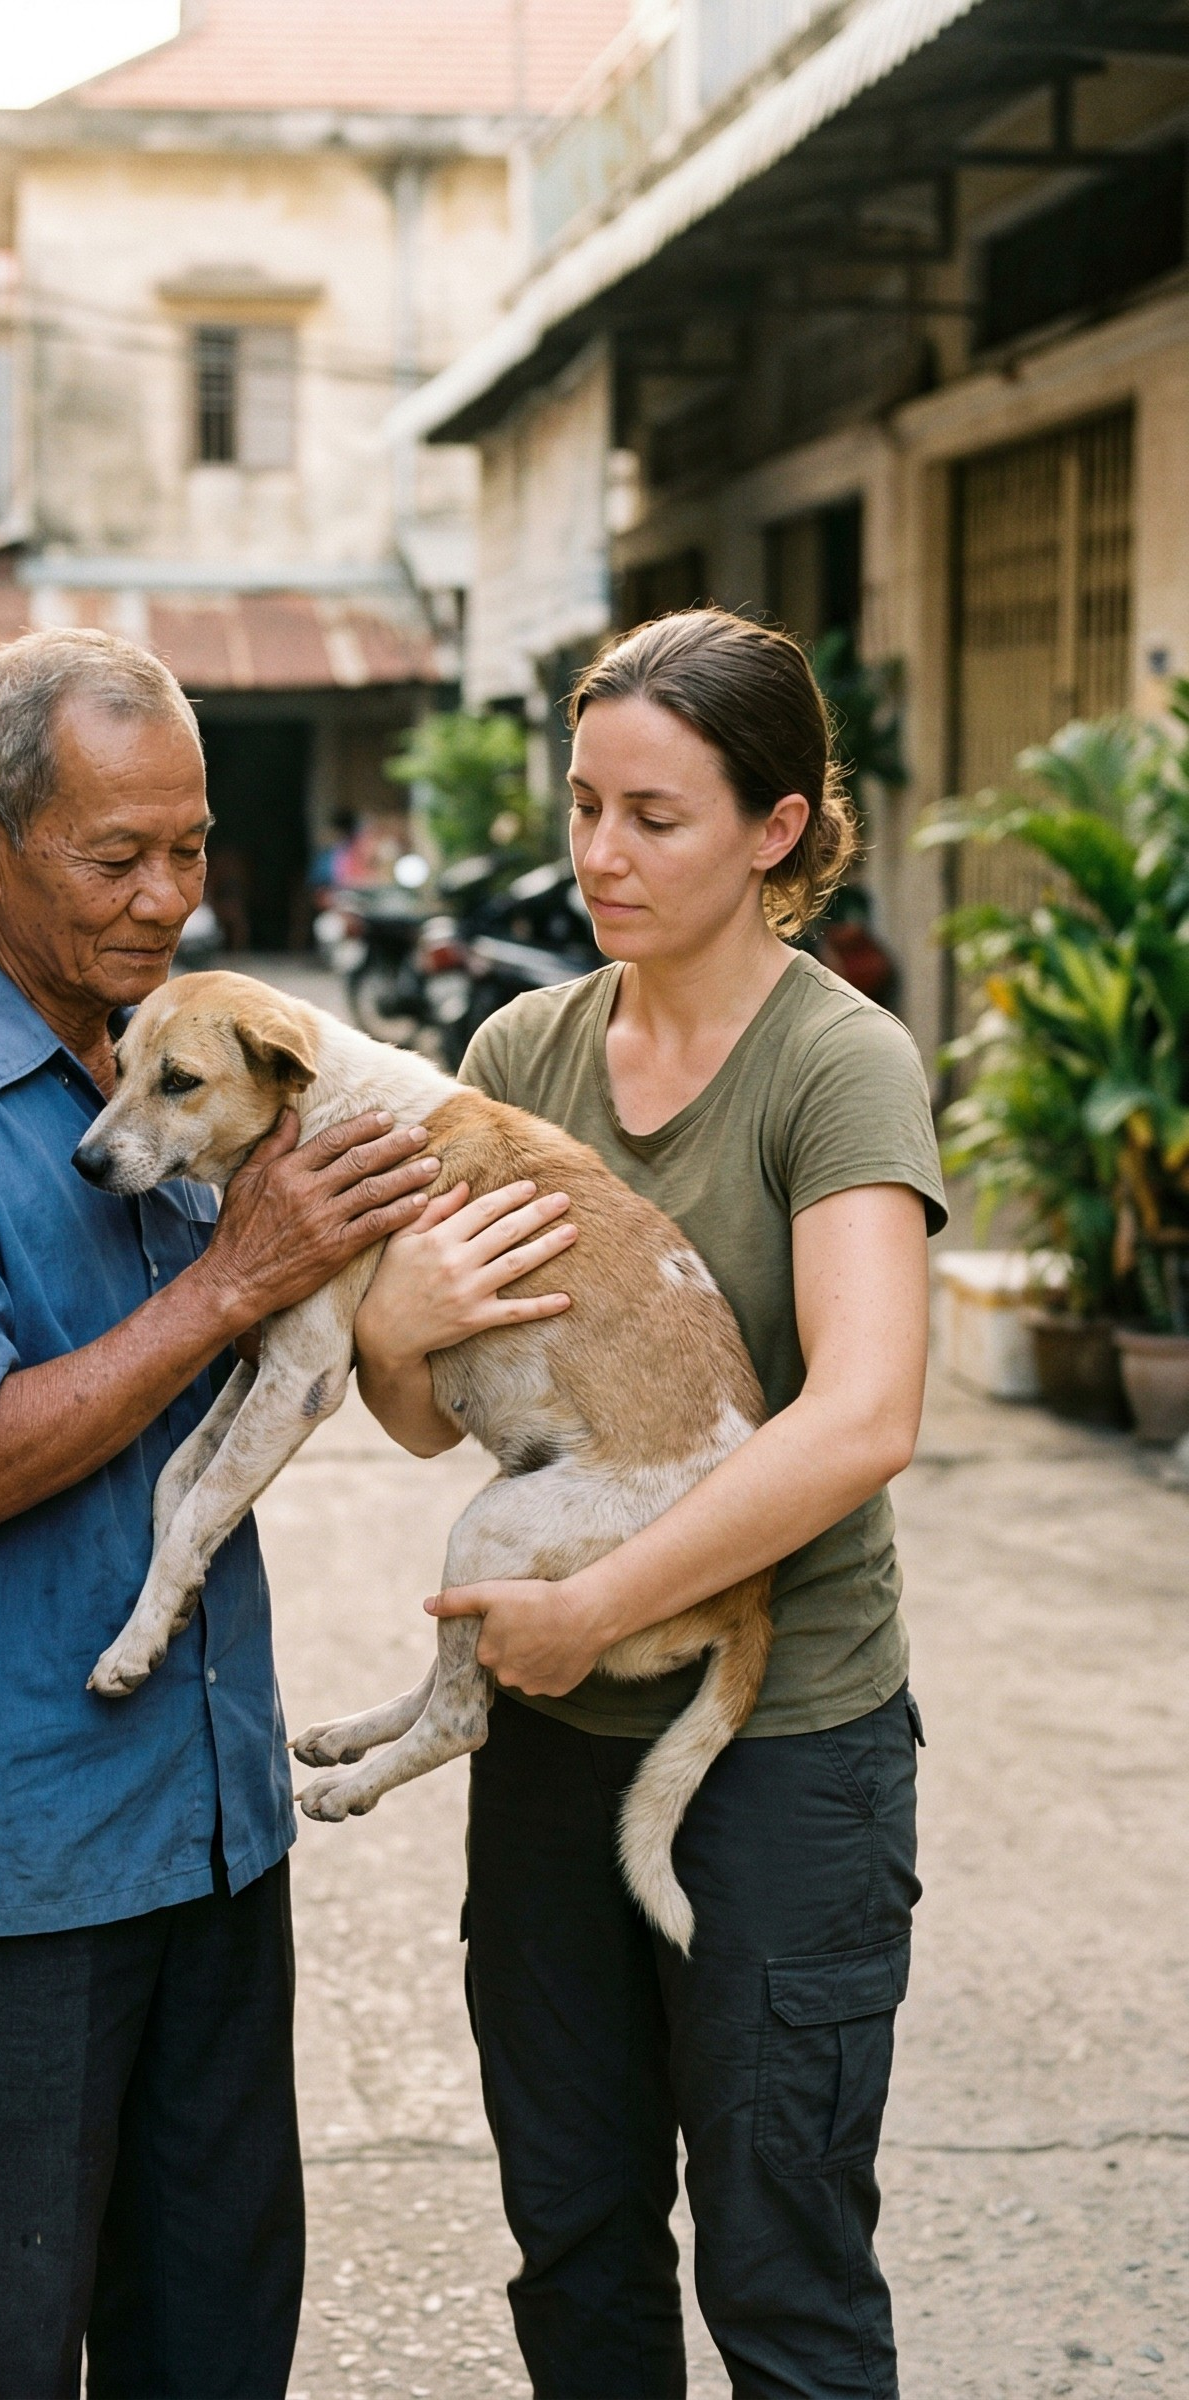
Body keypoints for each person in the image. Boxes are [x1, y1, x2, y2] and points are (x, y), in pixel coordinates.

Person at [0, 626, 442, 2399]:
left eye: (192, 848)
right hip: (17, 1868)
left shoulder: (187, 1061)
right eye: (114, 857)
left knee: (215, 2337)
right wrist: (234, 1284)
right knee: (1, 2350)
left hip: (217, 1827)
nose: (167, 899)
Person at [351, 608, 946, 2398]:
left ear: (776, 831)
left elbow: (864, 1416)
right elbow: (420, 1420)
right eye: (585, 803)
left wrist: (596, 1610)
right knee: (580, 2250)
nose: (599, 853)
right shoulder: (524, 1053)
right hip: (552, 1752)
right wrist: (394, 1322)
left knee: (782, 2274)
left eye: (656, 816)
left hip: (783, 1752)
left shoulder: (837, 1065)